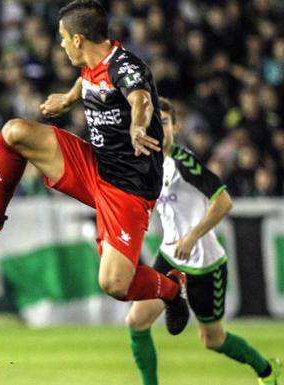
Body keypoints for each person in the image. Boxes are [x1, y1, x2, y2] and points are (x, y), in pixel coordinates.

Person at [0, 0, 189, 335]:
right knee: (15, 132)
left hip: (127, 189)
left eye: (63, 37)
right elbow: (88, 81)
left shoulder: (126, 66)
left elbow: (141, 99)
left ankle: (172, 289)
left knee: (116, 284)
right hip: (95, 165)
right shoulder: (93, 63)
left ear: (78, 39)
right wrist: (68, 97)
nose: (60, 44)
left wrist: (138, 126)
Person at [125, 98, 282, 385]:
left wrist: (192, 236)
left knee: (213, 339)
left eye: (163, 122)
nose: (156, 128)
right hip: (170, 258)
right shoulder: (149, 164)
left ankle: (268, 371)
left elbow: (223, 201)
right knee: (136, 322)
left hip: (204, 264)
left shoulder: (185, 164)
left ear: (176, 126)